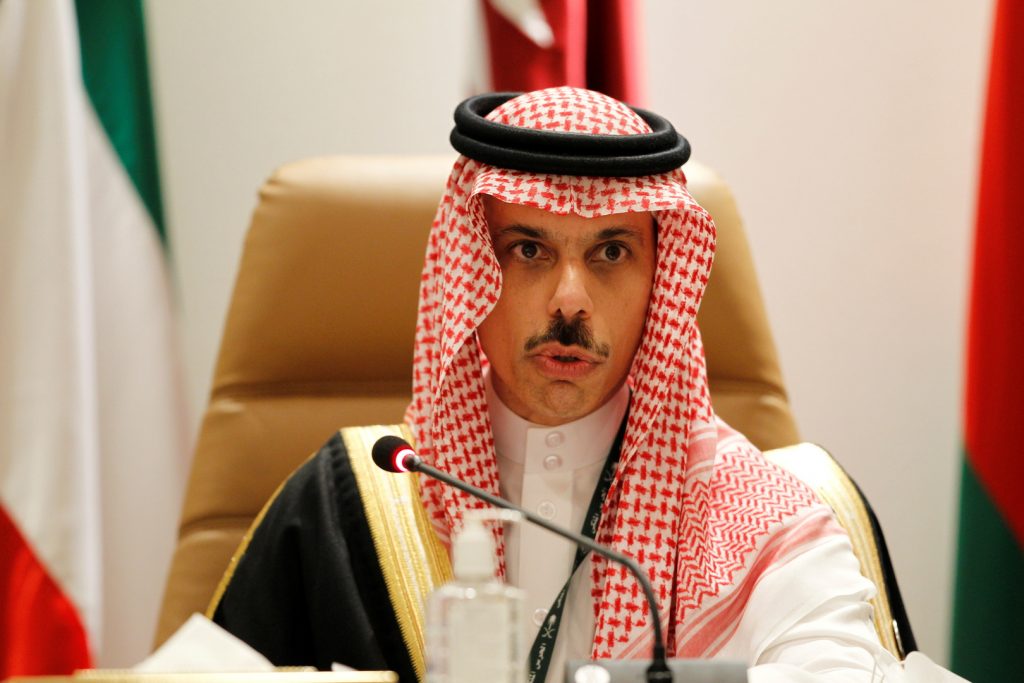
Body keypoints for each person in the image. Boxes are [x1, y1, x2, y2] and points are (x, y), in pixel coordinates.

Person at [210, 87, 894, 682]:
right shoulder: (349, 507)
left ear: (660, 281)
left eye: (611, 251)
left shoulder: (758, 517)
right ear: (471, 268)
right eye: (529, 250)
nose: (570, 302)